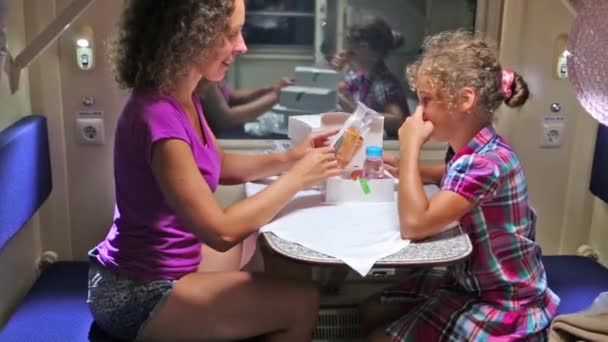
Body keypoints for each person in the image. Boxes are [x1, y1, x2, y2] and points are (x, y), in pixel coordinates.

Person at [87, 1, 342, 341]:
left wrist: (292, 158)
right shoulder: (157, 117)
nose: (242, 46)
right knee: (304, 303)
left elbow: (219, 164)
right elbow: (220, 233)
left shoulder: (184, 96)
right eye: (230, 34)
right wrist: (299, 179)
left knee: (272, 242)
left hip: (172, 263)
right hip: (138, 292)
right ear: (190, 36)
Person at [362, 30, 559, 341]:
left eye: (426, 100)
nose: (420, 112)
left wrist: (409, 148)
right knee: (370, 310)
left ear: (465, 100)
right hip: (468, 280)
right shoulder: (474, 149)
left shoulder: (486, 162)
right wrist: (414, 172)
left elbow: (415, 224)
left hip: (503, 299)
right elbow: (454, 175)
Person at [329, 18, 410, 137]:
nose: (347, 52)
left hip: (389, 146)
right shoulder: (358, 76)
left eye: (353, 50)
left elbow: (397, 120)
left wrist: (354, 110)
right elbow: (340, 89)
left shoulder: (383, 84)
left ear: (375, 54)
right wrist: (333, 71)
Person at [198, 76, 293, 137]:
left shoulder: (213, 68)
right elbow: (226, 118)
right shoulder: (203, 77)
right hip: (216, 137)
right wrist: (276, 96)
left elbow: (231, 97)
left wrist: (271, 90)